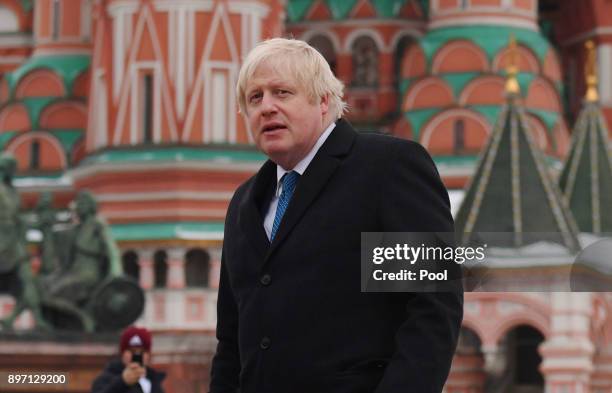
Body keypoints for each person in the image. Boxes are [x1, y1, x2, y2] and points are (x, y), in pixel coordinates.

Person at [210, 38, 463, 393]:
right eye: (255, 98)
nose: (266, 107)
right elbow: (231, 341)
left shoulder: (385, 169)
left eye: (282, 93)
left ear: (324, 101)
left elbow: (433, 303)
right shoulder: (244, 203)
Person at [91, 326, 166, 393]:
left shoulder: (154, 381)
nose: (137, 355)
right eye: (131, 351)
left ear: (148, 355)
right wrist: (122, 382)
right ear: (122, 353)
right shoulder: (106, 379)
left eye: (142, 351)